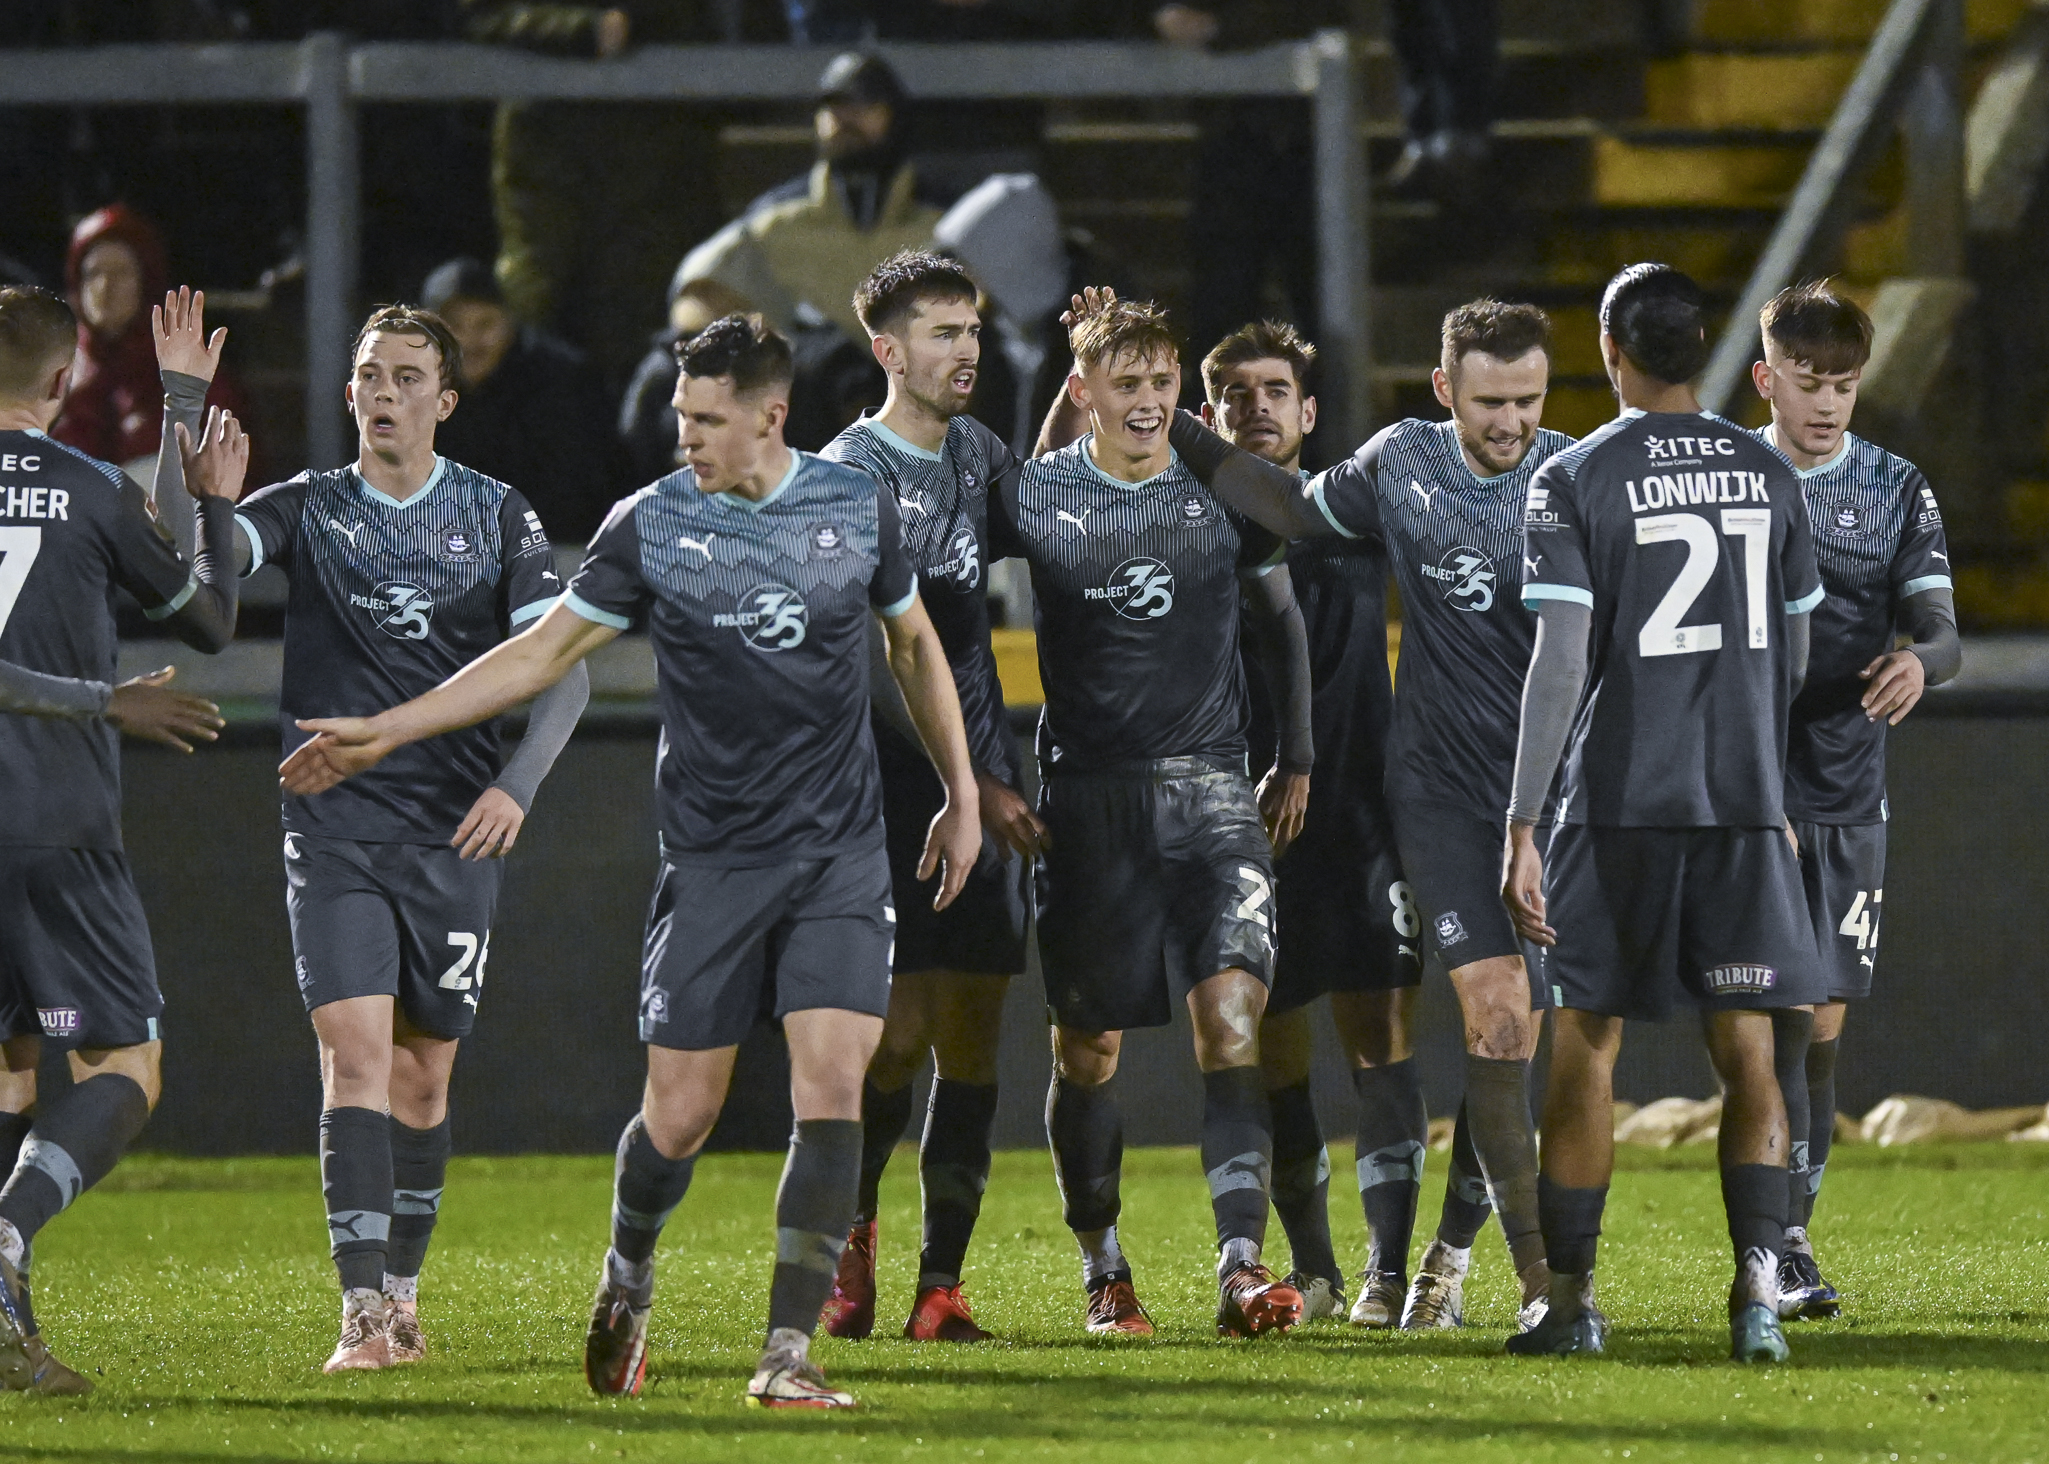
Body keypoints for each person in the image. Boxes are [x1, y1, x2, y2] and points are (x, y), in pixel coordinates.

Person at [277, 313, 985, 1409]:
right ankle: (628, 1274)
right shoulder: (649, 522)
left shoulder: (856, 506)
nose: (684, 435)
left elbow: (914, 644)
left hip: (838, 857)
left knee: (833, 1085)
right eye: (679, 415)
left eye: (705, 419)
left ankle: (787, 1354)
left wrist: (962, 793)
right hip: (709, 865)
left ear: (770, 417)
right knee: (681, 1116)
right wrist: (393, 728)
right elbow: (543, 653)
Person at [1183, 305, 1569, 1333]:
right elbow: (1281, 507)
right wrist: (1154, 417)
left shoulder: (1576, 475)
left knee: (1505, 1039)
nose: (1511, 421)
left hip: (1511, 804)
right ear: (1444, 391)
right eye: (1490, 400)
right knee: (1405, 1026)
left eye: (1528, 399)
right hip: (1407, 799)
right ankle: (1331, 1268)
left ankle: (1432, 1263)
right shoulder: (1388, 473)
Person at [218, 303, 588, 1373]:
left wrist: (516, 785)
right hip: (332, 827)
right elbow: (201, 567)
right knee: (355, 1055)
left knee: (425, 1078)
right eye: (369, 376)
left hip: (451, 837)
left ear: (445, 400)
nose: (385, 393)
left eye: (407, 377)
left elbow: (559, 661)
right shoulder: (309, 508)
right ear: (348, 395)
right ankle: (360, 1314)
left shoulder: (494, 515)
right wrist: (195, 476)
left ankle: (406, 1298)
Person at [1500, 263, 1826, 1364]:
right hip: (1739, 805)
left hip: (1618, 805)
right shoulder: (1771, 474)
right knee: (1750, 1053)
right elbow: (1795, 650)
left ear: (1610, 350)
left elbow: (1560, 658)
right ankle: (1755, 1303)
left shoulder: (1577, 475)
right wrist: (1766, 779)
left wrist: (1522, 820)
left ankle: (1573, 1304)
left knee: (1586, 1045)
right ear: (1713, 348)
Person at [1008, 294, 1312, 1338]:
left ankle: (1241, 1268)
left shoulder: (1219, 490)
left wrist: (1295, 755)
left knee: (1231, 1023)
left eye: (1161, 381)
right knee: (1086, 1053)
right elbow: (947, 624)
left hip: (1215, 795)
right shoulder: (1038, 494)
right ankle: (1105, 1266)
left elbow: (1282, 625)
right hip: (1089, 804)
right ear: (1086, 393)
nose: (1147, 401)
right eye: (1125, 384)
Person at [0, 283, 248, 1394]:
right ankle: (3, 1242)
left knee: (9, 1070)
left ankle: (11, 1340)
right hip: (52, 824)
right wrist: (195, 446)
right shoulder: (92, 491)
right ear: (64, 383)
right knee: (124, 1066)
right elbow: (201, 612)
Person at [815, 252, 1038, 1344]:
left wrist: (1083, 403)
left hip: (980, 778)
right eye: (944, 333)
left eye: (975, 331)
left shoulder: (980, 456)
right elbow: (868, 656)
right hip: (888, 790)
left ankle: (939, 1288)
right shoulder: (847, 472)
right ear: (888, 351)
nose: (967, 352)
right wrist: (967, 783)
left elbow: (1049, 523)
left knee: (977, 1038)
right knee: (895, 1037)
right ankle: (847, 1257)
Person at [1747, 280, 1960, 1320]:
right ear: (1765, 376)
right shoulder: (1731, 477)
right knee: (1781, 1018)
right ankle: (1781, 1247)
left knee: (1822, 1023)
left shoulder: (1894, 486)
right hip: (1746, 789)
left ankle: (1790, 1238)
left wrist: (1922, 663)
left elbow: (1943, 627)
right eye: (1807, 380)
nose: (1827, 402)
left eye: (1843, 384)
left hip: (1848, 791)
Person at [460, 1, 741, 390]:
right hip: (547, 148)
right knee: (535, 314)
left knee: (648, 328)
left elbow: (725, 31)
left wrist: (641, 22)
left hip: (659, 152)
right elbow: (478, 14)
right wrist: (580, 29)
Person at [421, 257, 625, 543]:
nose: (470, 341)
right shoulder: (410, 392)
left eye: (485, 324)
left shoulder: (564, 383)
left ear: (510, 324)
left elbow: (579, 493)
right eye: (453, 326)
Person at [49, 206, 248, 496]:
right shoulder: (51, 366)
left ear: (147, 281)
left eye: (121, 273)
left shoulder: (188, 366)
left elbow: (234, 479)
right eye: (93, 273)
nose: (105, 287)